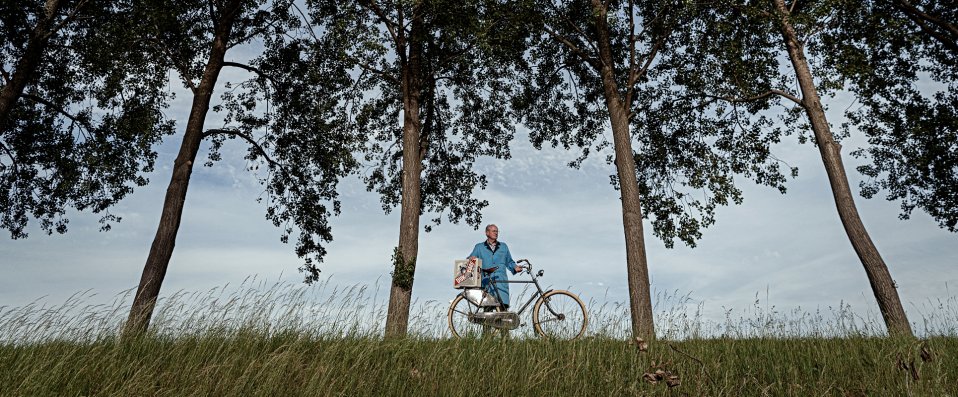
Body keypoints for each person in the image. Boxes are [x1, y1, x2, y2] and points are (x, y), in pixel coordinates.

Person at [467, 224, 521, 310]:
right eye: (493, 231)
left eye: (497, 231)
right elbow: (470, 259)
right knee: (488, 312)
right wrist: (471, 258)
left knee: (503, 311)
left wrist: (515, 267)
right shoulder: (479, 247)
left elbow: (509, 261)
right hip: (487, 282)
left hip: (501, 281)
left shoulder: (503, 246)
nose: (496, 233)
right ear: (487, 233)